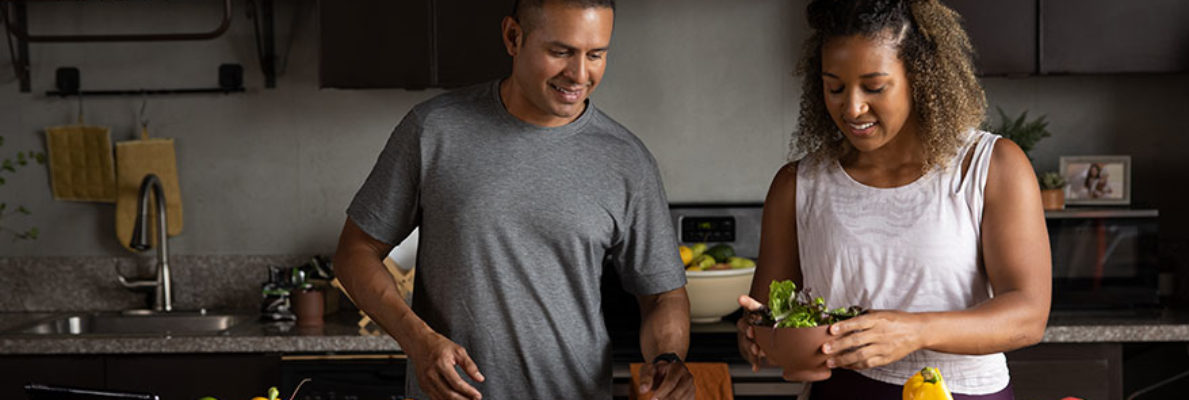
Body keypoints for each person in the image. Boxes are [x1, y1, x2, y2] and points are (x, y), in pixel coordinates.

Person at [332, 1, 695, 399]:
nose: (579, 74)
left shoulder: (626, 160)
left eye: (596, 55)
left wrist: (668, 361)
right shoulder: (434, 130)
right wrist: (417, 340)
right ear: (513, 37)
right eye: (561, 52)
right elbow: (355, 253)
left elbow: (663, 295)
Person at [735, 0, 1051, 398]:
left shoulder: (991, 167)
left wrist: (916, 331)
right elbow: (769, 315)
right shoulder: (798, 184)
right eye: (834, 86)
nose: (852, 107)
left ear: (921, 78)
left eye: (874, 86)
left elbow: (1029, 315)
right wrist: (755, 334)